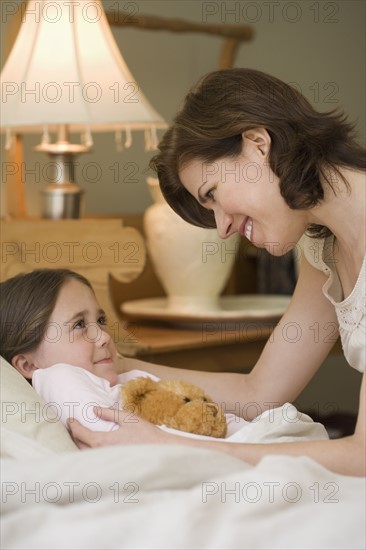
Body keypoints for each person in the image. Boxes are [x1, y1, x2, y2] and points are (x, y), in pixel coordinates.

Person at [66, 69, 365, 477]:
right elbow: (260, 394)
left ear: (258, 144)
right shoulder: (322, 246)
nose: (222, 227)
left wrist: (169, 446)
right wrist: (115, 367)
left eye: (213, 195)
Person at [4, 268, 322, 443]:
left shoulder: (115, 376)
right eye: (78, 325)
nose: (103, 335)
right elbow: (112, 437)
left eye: (100, 321)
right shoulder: (59, 378)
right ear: (28, 364)